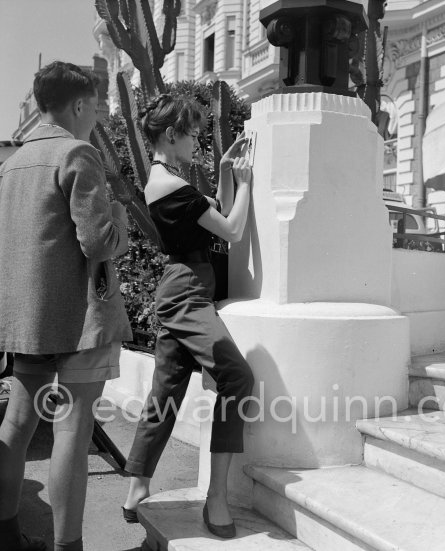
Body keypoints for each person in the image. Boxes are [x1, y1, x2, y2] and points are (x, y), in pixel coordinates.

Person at [0, 61, 132, 551]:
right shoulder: (78, 153)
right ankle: (67, 547)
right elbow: (99, 242)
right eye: (95, 108)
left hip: (26, 318)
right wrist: (120, 218)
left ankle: (7, 532)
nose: (96, 117)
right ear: (78, 105)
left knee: (17, 422)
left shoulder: (10, 164)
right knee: (73, 430)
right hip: (79, 317)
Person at [122, 94, 254, 539]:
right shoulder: (169, 186)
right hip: (188, 290)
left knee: (166, 391)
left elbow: (211, 210)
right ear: (170, 134)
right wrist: (248, 183)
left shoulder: (168, 184)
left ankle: (137, 487)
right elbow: (231, 229)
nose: (198, 139)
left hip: (181, 286)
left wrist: (223, 177)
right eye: (193, 132)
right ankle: (217, 498)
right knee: (238, 378)